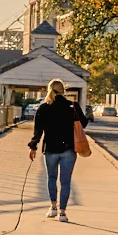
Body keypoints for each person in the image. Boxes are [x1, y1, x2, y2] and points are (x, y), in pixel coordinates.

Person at [29, 78, 88, 222]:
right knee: (66, 182)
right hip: (69, 149)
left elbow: (38, 130)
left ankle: (53, 207)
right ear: (64, 90)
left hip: (50, 149)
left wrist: (33, 146)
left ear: (49, 89)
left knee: (52, 178)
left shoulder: (44, 108)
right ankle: (63, 213)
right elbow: (84, 123)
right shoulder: (72, 106)